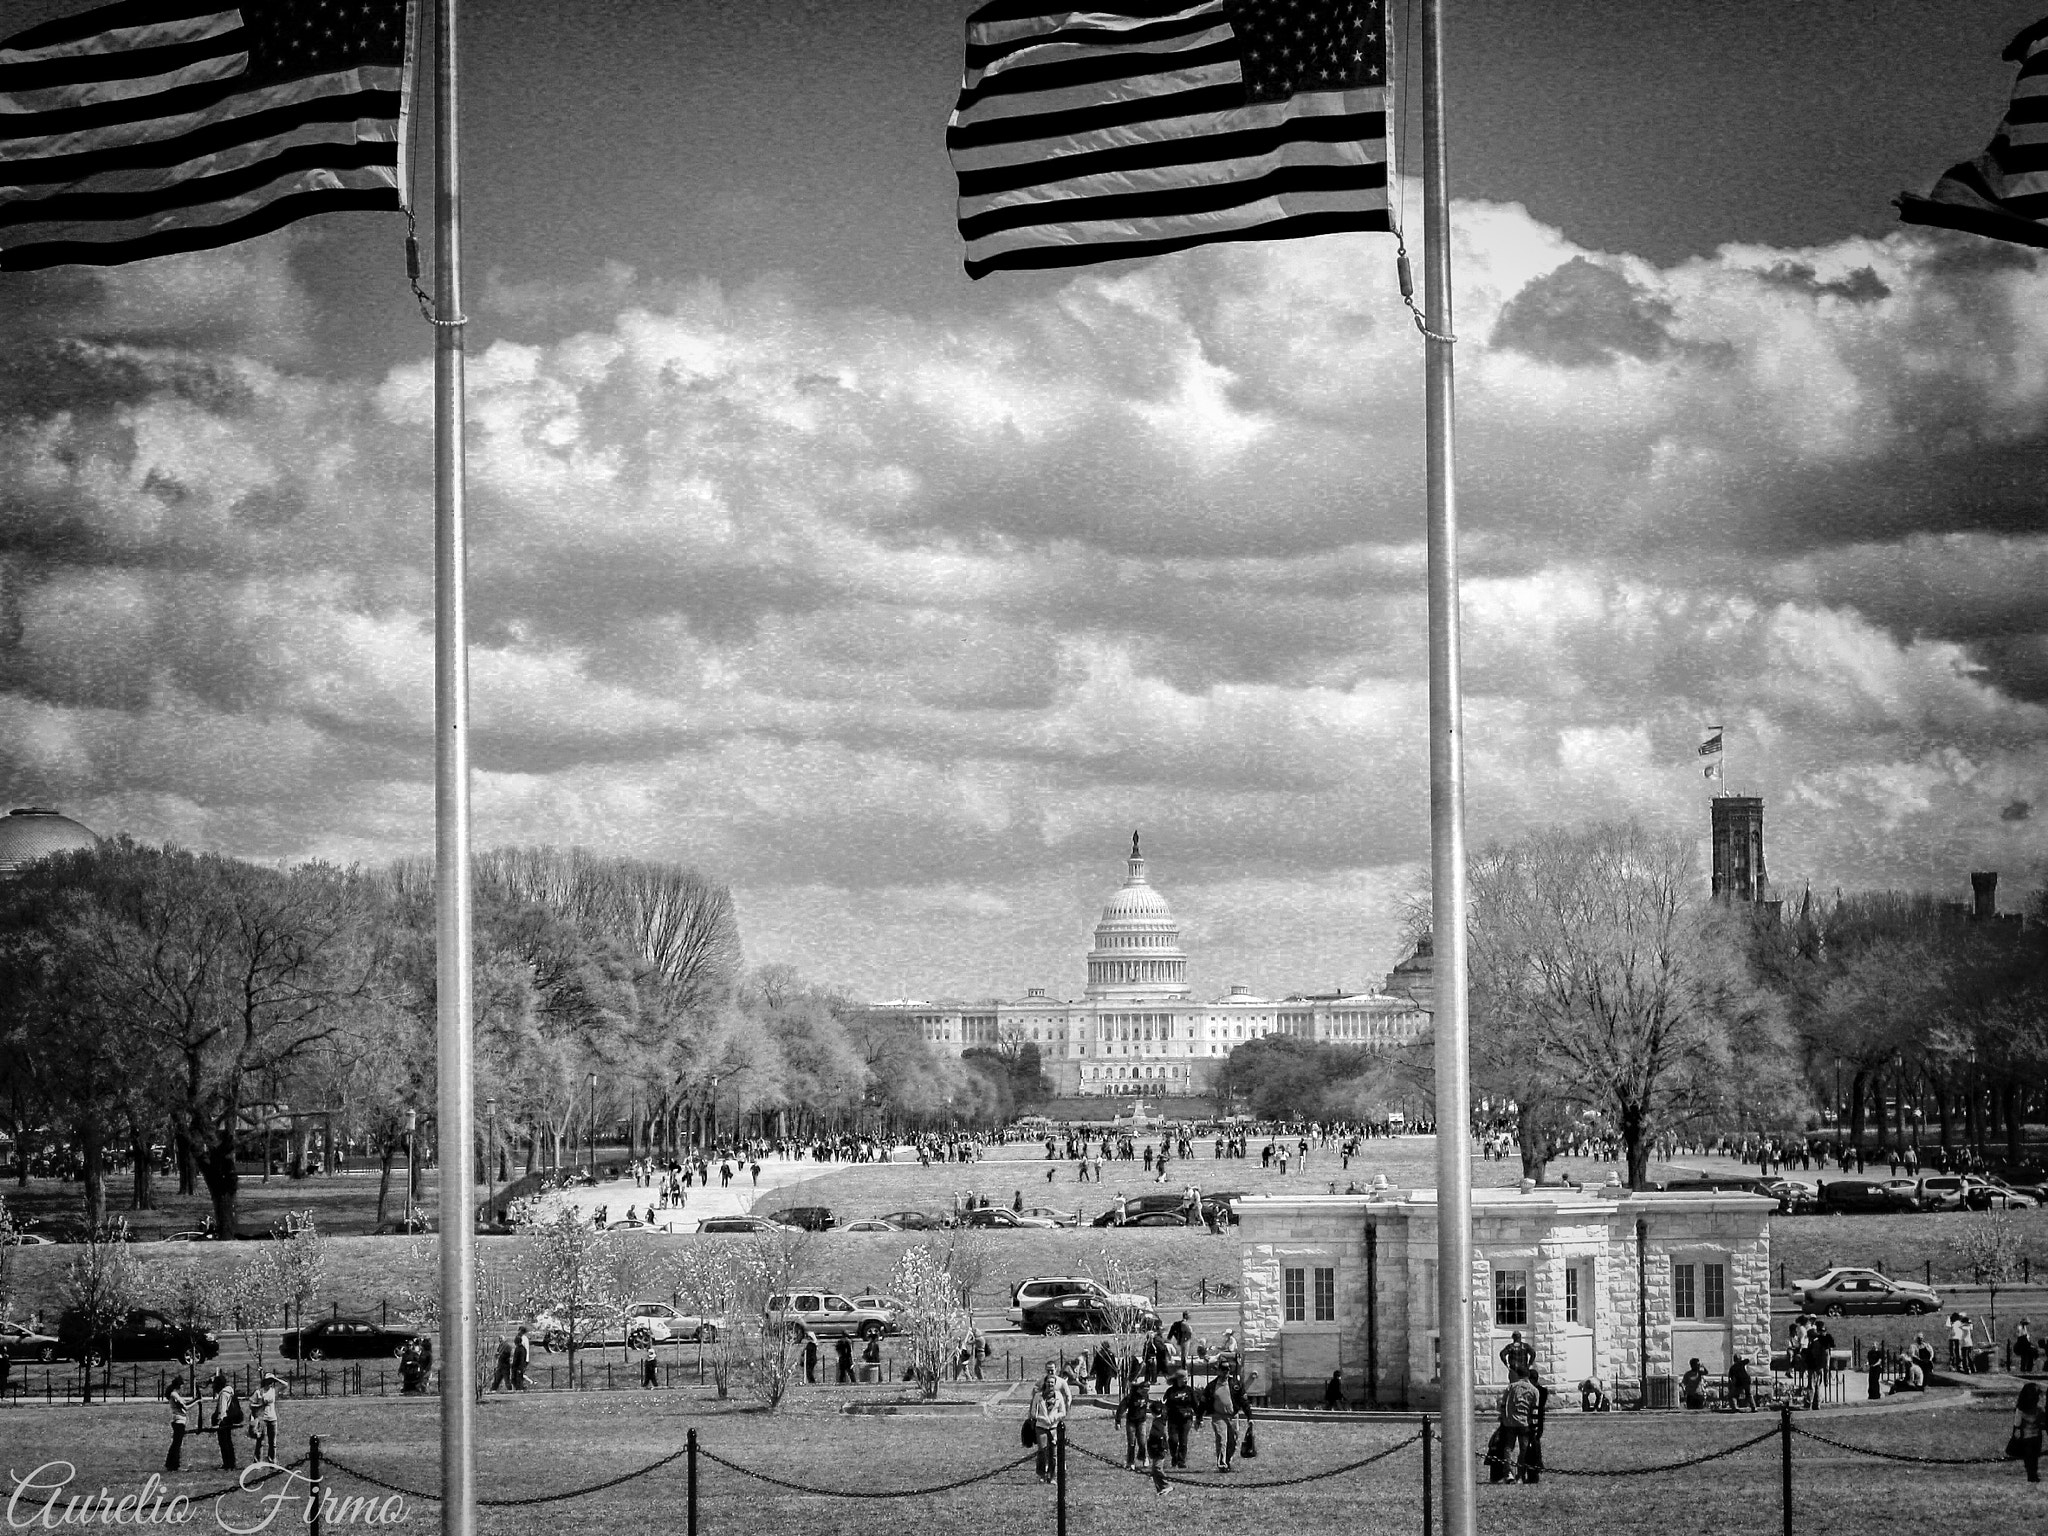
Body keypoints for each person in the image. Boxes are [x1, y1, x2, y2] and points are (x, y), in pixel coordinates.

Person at [1031, 1363, 1071, 1485]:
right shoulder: (1038, 1396)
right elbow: (1033, 1412)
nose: (1050, 1384)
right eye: (1048, 1382)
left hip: (1054, 1427)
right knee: (1042, 1451)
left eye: (1052, 1383)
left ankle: (1052, 1476)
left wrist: (1054, 1417)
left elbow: (1063, 1412)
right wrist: (1042, 1418)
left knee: (1053, 1453)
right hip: (1041, 1427)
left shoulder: (1058, 1396)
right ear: (1045, 1383)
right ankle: (1041, 1475)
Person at [1201, 1363, 1245, 1471]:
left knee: (1233, 1440)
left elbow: (1243, 1401)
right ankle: (1222, 1464)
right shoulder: (1212, 1385)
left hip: (1232, 1416)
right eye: (1223, 1370)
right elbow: (1203, 1402)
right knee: (1221, 1439)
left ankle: (1228, 1460)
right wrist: (1199, 1417)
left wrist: (1250, 1417)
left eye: (1228, 1370)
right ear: (1218, 1371)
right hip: (1218, 1416)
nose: (1226, 1372)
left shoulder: (1235, 1384)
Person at [1498, 1369, 1539, 1483]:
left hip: (1509, 1422)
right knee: (1524, 1449)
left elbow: (1503, 1404)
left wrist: (1503, 1418)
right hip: (1524, 1423)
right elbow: (1535, 1410)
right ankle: (1520, 1475)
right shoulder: (1534, 1390)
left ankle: (1508, 1474)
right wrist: (1534, 1427)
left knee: (1508, 1447)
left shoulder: (1511, 1387)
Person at [1162, 1370, 1198, 1468]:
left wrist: (1199, 1418)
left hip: (1186, 1419)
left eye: (1186, 1378)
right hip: (1173, 1419)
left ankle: (1181, 1461)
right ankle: (1174, 1456)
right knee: (1173, 1440)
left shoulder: (1189, 1390)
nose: (1185, 1380)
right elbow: (1166, 1406)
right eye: (1183, 1378)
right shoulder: (1170, 1391)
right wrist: (1163, 1419)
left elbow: (1195, 1404)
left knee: (1183, 1441)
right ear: (1177, 1379)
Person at [2013, 1382, 2045, 1482]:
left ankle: (2031, 1474)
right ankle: (2033, 1474)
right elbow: (2043, 1422)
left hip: (2026, 1436)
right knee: (2034, 1457)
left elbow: (2017, 1424)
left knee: (2028, 1457)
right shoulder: (2039, 1409)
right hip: (2036, 1436)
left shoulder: (2020, 1410)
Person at [211, 1373, 242, 1471]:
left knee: (224, 1443)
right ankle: (231, 1463)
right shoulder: (230, 1392)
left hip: (224, 1421)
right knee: (228, 1442)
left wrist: (219, 1423)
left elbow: (222, 1410)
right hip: (230, 1419)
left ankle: (227, 1464)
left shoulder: (223, 1394)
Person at [250, 1372, 282, 1463]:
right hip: (262, 1418)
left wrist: (276, 1379)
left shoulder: (273, 1390)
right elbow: (251, 1404)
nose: (271, 1382)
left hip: (273, 1418)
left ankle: (272, 1460)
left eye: (272, 1381)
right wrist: (260, 1405)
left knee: (273, 1442)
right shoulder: (259, 1392)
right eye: (269, 1380)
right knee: (260, 1441)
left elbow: (285, 1385)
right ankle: (257, 1461)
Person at [164, 1375, 192, 1472]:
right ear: (179, 1386)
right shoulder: (174, 1395)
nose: (183, 1389)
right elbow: (185, 1407)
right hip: (179, 1421)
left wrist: (195, 1399)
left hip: (179, 1421)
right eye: (182, 1386)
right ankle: (174, 1465)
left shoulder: (175, 1395)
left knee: (176, 1443)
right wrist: (197, 1401)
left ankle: (170, 1464)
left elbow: (185, 1403)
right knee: (177, 1444)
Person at [512, 1326, 531, 1391]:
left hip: (523, 1359)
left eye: (519, 1330)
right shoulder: (520, 1338)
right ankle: (521, 1386)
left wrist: (524, 1360)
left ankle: (523, 1386)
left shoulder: (524, 1339)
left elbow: (525, 1350)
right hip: (520, 1359)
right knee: (518, 1374)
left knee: (520, 1374)